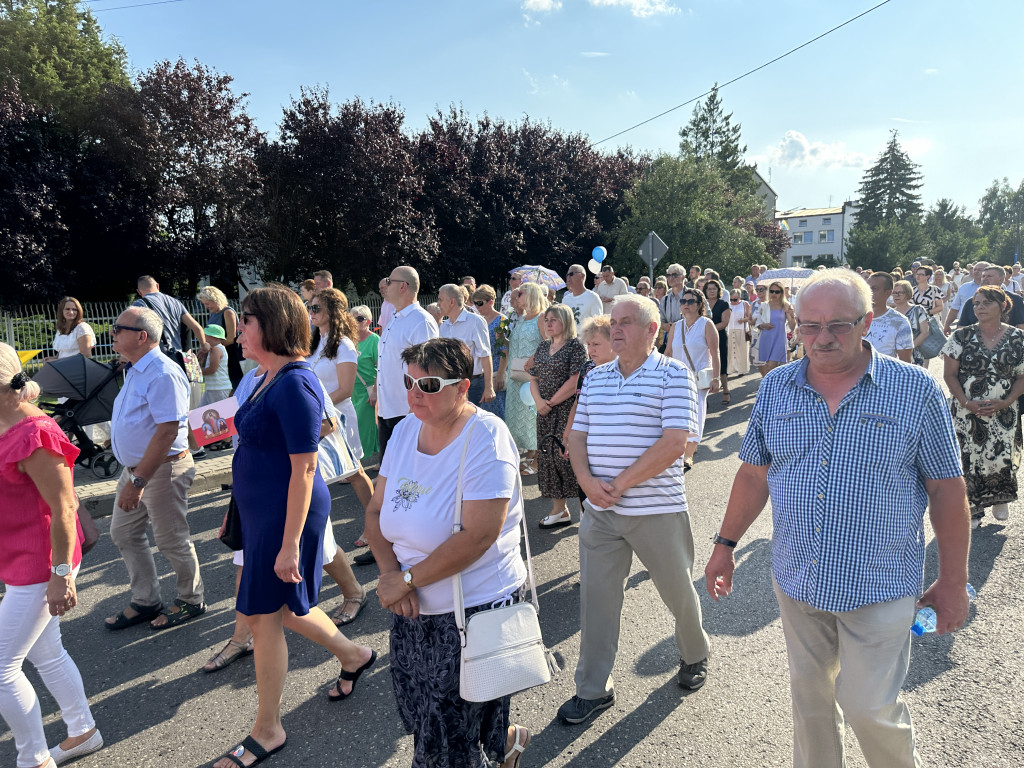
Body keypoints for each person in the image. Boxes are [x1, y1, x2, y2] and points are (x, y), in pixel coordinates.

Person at [704, 268, 971, 768]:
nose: (822, 338)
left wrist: (953, 580)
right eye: (810, 326)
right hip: (799, 578)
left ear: (868, 321)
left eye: (839, 326)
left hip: (881, 582)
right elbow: (754, 476)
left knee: (869, 706)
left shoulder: (915, 392)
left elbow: (948, 490)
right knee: (810, 705)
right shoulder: (777, 388)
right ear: (794, 324)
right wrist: (724, 544)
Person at [211, 285, 376, 768]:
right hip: (262, 512)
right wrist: (238, 507)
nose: (238, 329)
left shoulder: (296, 381)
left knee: (267, 617)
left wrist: (287, 545)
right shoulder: (267, 375)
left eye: (245, 321)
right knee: (284, 611)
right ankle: (354, 656)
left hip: (288, 517)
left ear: (272, 325)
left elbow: (305, 468)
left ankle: (268, 728)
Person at [363, 338, 533, 768]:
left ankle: (496, 743)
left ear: (463, 388)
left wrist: (405, 580)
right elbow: (377, 510)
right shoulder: (403, 431)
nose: (414, 392)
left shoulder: (487, 439)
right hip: (411, 606)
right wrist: (391, 577)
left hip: (470, 610)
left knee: (443, 737)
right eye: (409, 381)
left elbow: (478, 536)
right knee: (428, 708)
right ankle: (505, 741)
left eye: (430, 383)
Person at [559, 295, 710, 726]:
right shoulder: (598, 377)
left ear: (652, 331)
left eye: (627, 322)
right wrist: (588, 486)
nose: (616, 328)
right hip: (600, 513)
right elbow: (577, 438)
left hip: (656, 511)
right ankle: (592, 689)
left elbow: (673, 444)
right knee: (597, 601)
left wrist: (618, 485)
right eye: (614, 322)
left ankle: (694, 653)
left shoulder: (673, 375)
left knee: (678, 592)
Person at [0, 344, 104, 768]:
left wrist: (62, 574)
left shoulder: (36, 432)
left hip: (42, 562)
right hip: (19, 556)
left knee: (2, 668)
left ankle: (34, 760)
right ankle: (83, 731)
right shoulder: (5, 422)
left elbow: (63, 507)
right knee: (46, 652)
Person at [104, 306, 206, 631]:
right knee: (123, 532)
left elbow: (168, 431)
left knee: (171, 540)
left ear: (142, 336)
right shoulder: (135, 368)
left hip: (160, 469)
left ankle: (192, 599)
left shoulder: (163, 372)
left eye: (118, 328)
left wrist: (138, 480)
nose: (112, 333)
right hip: (137, 470)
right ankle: (146, 600)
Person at [943, 285, 1024, 529]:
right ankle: (972, 511)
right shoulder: (960, 336)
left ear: (1003, 306)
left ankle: (1000, 498)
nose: (979, 308)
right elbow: (949, 375)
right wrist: (966, 402)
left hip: (1004, 410)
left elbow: (1022, 376)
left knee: (1001, 456)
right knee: (967, 458)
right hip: (965, 409)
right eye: (976, 303)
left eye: (986, 303)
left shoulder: (1018, 338)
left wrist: (1007, 401)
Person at [308, 288, 379, 564]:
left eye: (316, 308)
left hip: (337, 418)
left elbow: (345, 390)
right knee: (334, 473)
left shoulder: (344, 345)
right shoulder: (316, 342)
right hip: (320, 418)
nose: (311, 313)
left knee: (354, 473)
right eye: (310, 308)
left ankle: (375, 526)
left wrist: (315, 409)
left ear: (332, 312)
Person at [528, 304, 588, 529]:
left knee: (570, 458)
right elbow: (533, 377)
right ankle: (559, 510)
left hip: (566, 411)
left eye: (554, 319)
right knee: (548, 458)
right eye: (546, 320)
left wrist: (551, 402)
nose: (549, 323)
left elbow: (576, 380)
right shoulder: (543, 346)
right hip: (544, 412)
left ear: (566, 321)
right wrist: (539, 402)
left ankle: (586, 511)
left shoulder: (576, 347)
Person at [376, 267, 439, 458]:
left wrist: (416, 413)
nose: (384, 286)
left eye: (389, 281)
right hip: (388, 411)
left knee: (410, 474)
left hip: (408, 412)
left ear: (403, 286)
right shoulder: (396, 318)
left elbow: (428, 370)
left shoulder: (421, 321)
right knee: (391, 473)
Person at [665, 288, 721, 471]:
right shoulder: (676, 326)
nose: (686, 305)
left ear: (699, 305)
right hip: (675, 379)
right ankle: (677, 451)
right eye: (683, 301)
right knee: (676, 415)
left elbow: (715, 352)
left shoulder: (706, 324)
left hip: (697, 379)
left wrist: (716, 378)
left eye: (690, 301)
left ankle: (688, 454)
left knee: (696, 415)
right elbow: (668, 352)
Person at [505, 283, 548, 474]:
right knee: (517, 417)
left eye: (520, 294)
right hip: (516, 376)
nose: (516, 297)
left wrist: (534, 359)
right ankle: (526, 455)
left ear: (530, 295)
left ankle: (535, 459)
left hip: (533, 376)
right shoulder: (521, 319)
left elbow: (549, 344)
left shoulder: (541, 318)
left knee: (532, 416)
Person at [438, 284, 495, 406]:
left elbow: (485, 354)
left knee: (470, 422)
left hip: (473, 384)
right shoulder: (444, 326)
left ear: (452, 302)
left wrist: (489, 387)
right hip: (450, 383)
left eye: (440, 300)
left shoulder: (475, 321)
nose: (438, 304)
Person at [132, 275, 209, 356]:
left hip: (157, 356)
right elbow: (197, 327)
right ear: (157, 286)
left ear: (139, 292)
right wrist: (204, 345)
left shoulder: (139, 304)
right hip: (178, 355)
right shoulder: (176, 302)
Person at [472, 285, 509, 420]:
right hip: (481, 374)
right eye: (475, 303)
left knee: (497, 412)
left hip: (495, 371)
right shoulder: (478, 320)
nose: (477, 307)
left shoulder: (502, 320)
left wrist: (500, 374)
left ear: (491, 302)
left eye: (480, 303)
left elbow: (504, 350)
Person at [349, 304, 380, 457]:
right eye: (352, 319)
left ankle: (360, 464)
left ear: (368, 321)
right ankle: (380, 457)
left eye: (359, 319)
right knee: (367, 427)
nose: (355, 322)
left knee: (362, 428)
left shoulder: (375, 340)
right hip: (351, 392)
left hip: (367, 391)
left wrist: (375, 392)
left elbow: (381, 368)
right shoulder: (349, 341)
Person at [198, 286, 243, 389]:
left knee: (233, 388)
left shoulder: (228, 312)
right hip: (217, 356)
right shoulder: (213, 313)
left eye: (207, 303)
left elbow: (231, 339)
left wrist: (210, 347)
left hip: (230, 358)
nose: (206, 307)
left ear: (215, 299)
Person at [955, 265, 1024, 329]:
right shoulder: (972, 301)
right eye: (983, 276)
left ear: (1001, 279)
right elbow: (962, 327)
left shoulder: (1015, 300)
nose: (985, 279)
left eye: (989, 276)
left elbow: (1021, 326)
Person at [865, 272, 913, 362]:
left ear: (888, 292)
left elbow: (905, 361)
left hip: (883, 373)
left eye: (874, 289)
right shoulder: (853, 317)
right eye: (867, 288)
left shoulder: (900, 322)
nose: (869, 292)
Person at [756, 282, 796, 376]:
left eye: (777, 292)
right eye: (771, 291)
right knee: (766, 366)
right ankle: (768, 387)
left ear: (781, 293)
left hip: (779, 339)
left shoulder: (786, 306)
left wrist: (792, 315)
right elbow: (758, 324)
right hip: (766, 338)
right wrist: (763, 325)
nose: (774, 294)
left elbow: (792, 327)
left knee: (771, 365)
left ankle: (767, 387)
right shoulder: (764, 306)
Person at [703, 278, 732, 405]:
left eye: (714, 288)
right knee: (705, 364)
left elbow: (724, 323)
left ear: (719, 290)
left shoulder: (723, 304)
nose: (712, 291)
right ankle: (704, 393)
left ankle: (725, 390)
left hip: (719, 336)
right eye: (709, 289)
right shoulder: (702, 305)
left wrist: (709, 329)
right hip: (703, 338)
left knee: (721, 364)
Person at [891, 280, 930, 366]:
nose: (896, 295)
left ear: (907, 294)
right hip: (895, 356)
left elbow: (925, 332)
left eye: (900, 293)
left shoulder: (918, 310)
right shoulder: (890, 313)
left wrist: (909, 349)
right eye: (894, 293)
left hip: (916, 353)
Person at [944, 261, 988, 334]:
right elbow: (955, 308)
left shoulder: (997, 288)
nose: (976, 272)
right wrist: (947, 325)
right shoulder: (964, 287)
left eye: (980, 270)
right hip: (964, 325)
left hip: (987, 326)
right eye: (975, 269)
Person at [199, 324, 232, 406]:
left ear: (215, 337)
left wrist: (197, 373)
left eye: (205, 336)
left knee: (220, 415)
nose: (202, 339)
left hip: (218, 388)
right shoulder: (212, 350)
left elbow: (212, 369)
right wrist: (202, 355)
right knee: (200, 414)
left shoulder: (216, 349)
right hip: (213, 388)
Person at [726, 289, 751, 378]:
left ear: (739, 298)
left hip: (741, 329)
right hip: (729, 329)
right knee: (730, 350)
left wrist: (743, 320)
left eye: (735, 299)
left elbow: (750, 317)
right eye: (731, 299)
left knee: (741, 350)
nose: (733, 301)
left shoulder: (745, 304)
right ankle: (730, 369)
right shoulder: (727, 304)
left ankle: (742, 369)